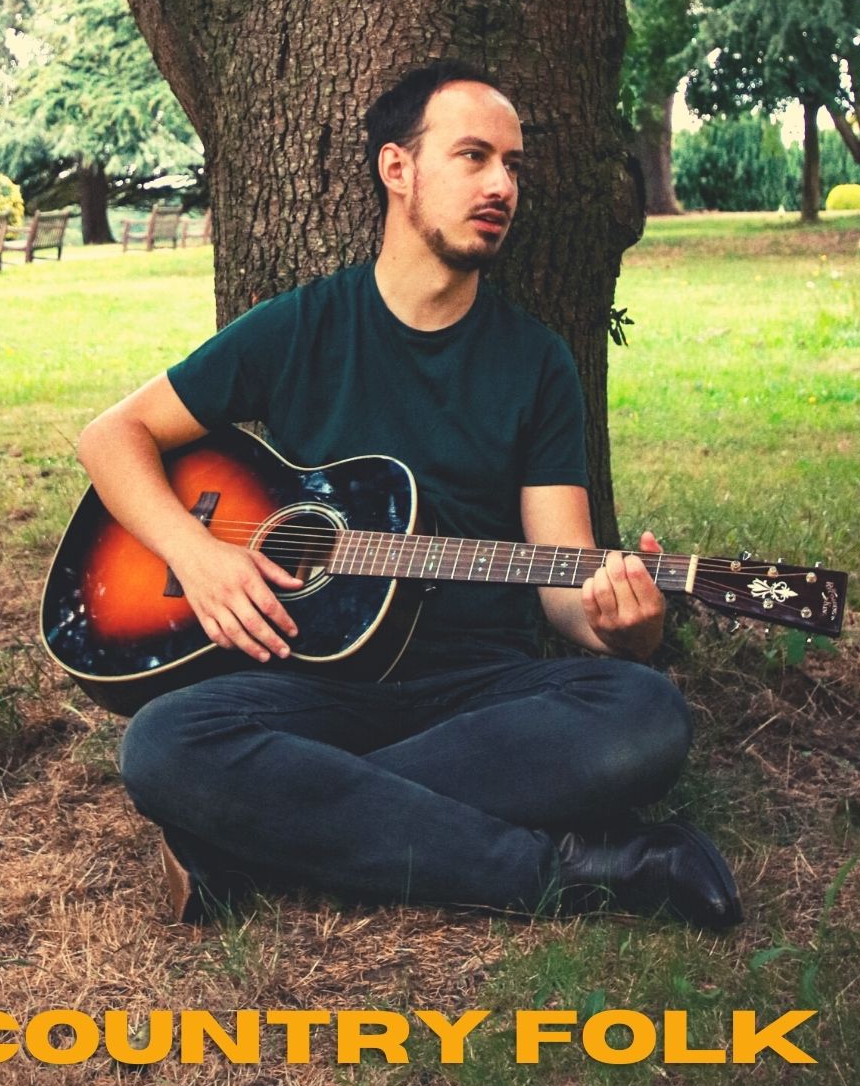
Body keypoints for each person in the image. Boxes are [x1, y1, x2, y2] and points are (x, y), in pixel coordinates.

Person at [76, 61, 741, 930]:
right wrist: (195, 554)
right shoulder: (302, 328)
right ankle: (567, 870)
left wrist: (625, 625)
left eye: (513, 164)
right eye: (473, 157)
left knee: (644, 717)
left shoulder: (535, 362)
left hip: (481, 688)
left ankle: (261, 834)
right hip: (313, 681)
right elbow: (110, 438)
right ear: (398, 169)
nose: (502, 184)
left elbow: (563, 581)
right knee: (162, 745)